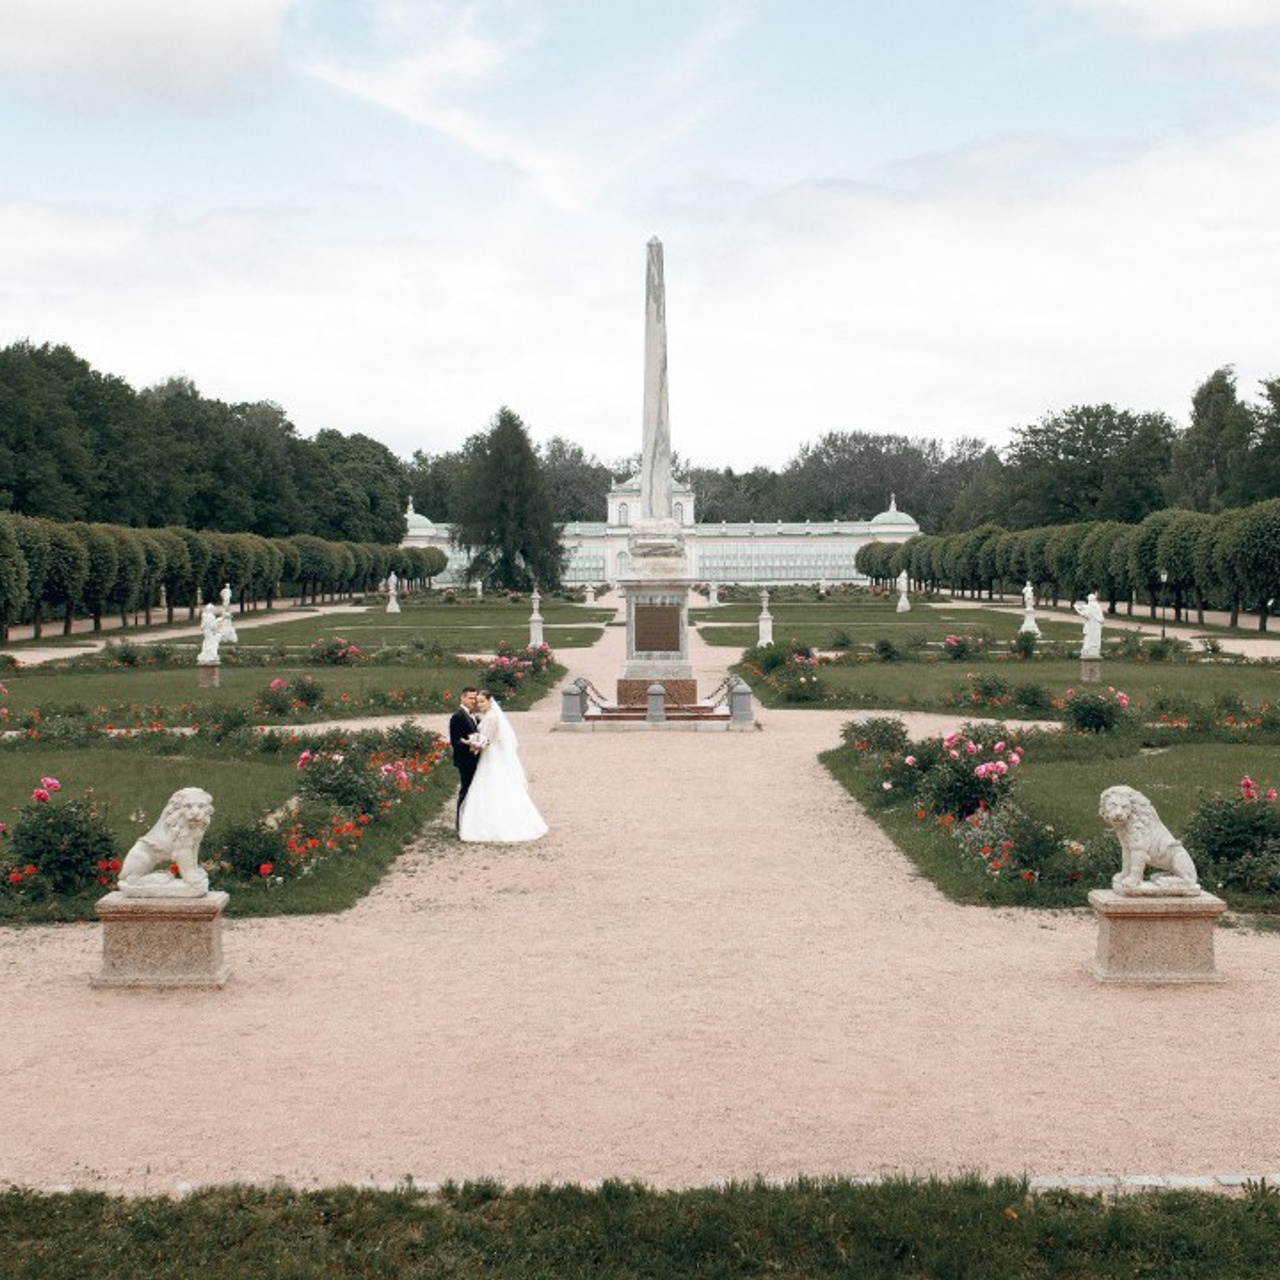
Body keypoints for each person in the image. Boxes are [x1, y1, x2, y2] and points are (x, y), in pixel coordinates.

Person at [459, 690, 548, 843]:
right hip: (490, 755)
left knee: (494, 786)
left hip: (492, 757)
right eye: (478, 702)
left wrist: (469, 743)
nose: (479, 704)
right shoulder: (488, 716)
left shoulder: (492, 717)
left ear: (490, 701)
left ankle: (497, 826)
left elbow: (486, 741)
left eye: (482, 702)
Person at [448, 686, 482, 830]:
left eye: (475, 698)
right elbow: (455, 741)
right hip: (465, 760)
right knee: (466, 789)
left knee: (474, 791)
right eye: (470, 698)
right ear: (462, 698)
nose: (473, 701)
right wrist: (471, 744)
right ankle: (460, 823)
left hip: (475, 759)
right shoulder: (457, 716)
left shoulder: (473, 715)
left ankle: (471, 821)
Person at [1074, 592, 1105, 659]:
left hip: (1091, 626)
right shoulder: (1097, 607)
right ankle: (1093, 650)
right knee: (1094, 638)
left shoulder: (1088, 607)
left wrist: (1078, 609)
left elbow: (1084, 614)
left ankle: (1090, 650)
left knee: (1090, 637)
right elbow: (1101, 619)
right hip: (1096, 626)